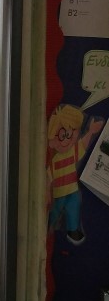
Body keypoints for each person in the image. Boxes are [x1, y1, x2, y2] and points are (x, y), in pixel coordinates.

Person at [47, 103, 103, 244]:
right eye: (63, 135)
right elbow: (48, 177)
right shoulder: (53, 160)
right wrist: (48, 192)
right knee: (55, 211)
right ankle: (48, 224)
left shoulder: (72, 152)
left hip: (72, 191)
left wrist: (90, 132)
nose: (68, 140)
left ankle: (72, 230)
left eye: (72, 134)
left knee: (74, 207)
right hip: (58, 194)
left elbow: (82, 144)